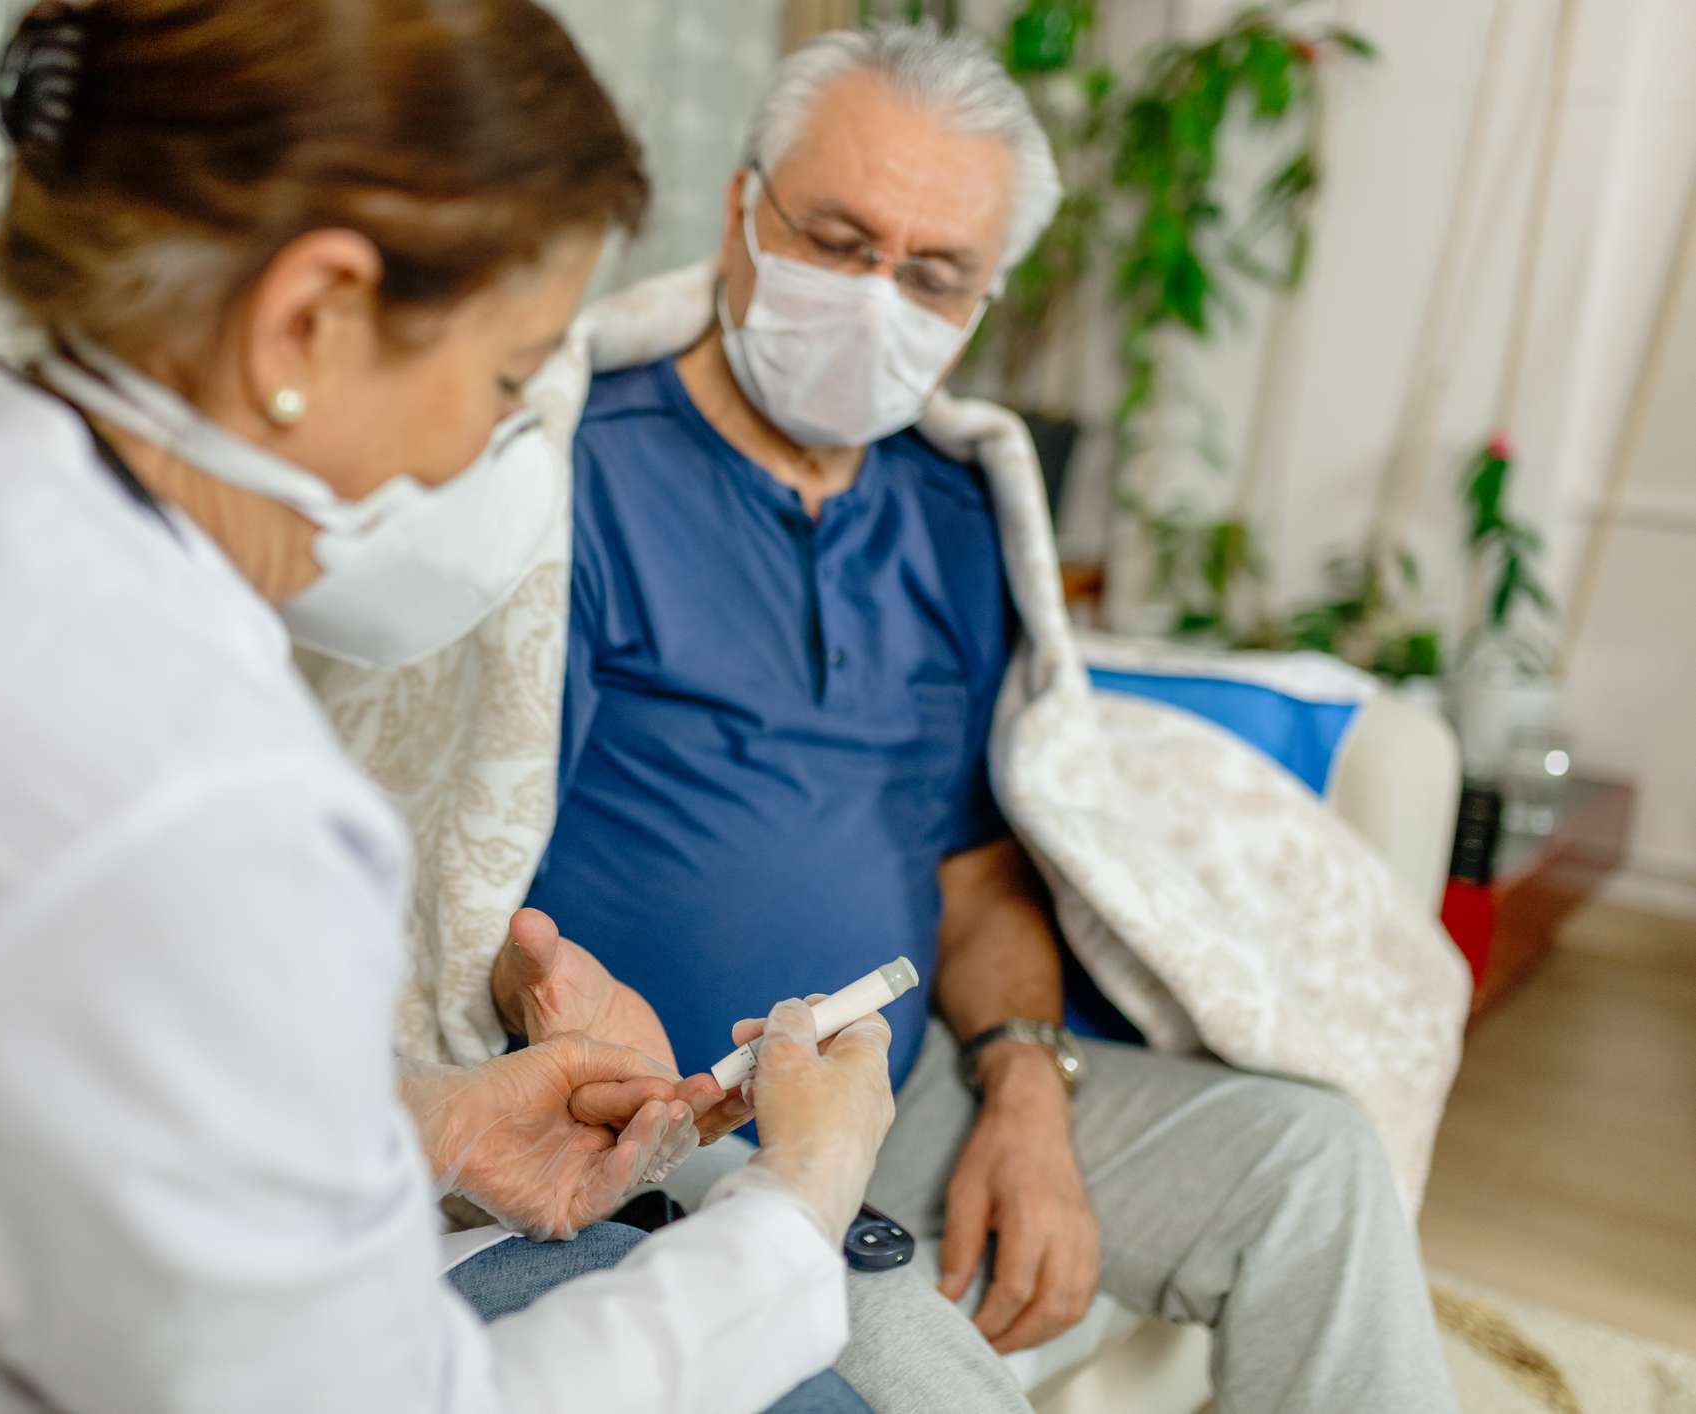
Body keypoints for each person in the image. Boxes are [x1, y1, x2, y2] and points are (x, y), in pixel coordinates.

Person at [0, 4, 895, 1411]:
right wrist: (793, 1205)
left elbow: (3, 1079)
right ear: (307, 316)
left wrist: (416, 1123)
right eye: (509, 383)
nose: (511, 456)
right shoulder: (187, 788)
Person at [508, 23, 1463, 1414]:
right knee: (906, 1353)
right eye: (836, 239)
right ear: (740, 209)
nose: (876, 296)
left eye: (933, 272)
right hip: (666, 1113)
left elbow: (972, 864)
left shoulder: (955, 514)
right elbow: (464, 853)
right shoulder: (577, 474)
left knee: (1311, 1162)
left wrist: (1025, 1085)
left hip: (909, 1090)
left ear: (979, 301)